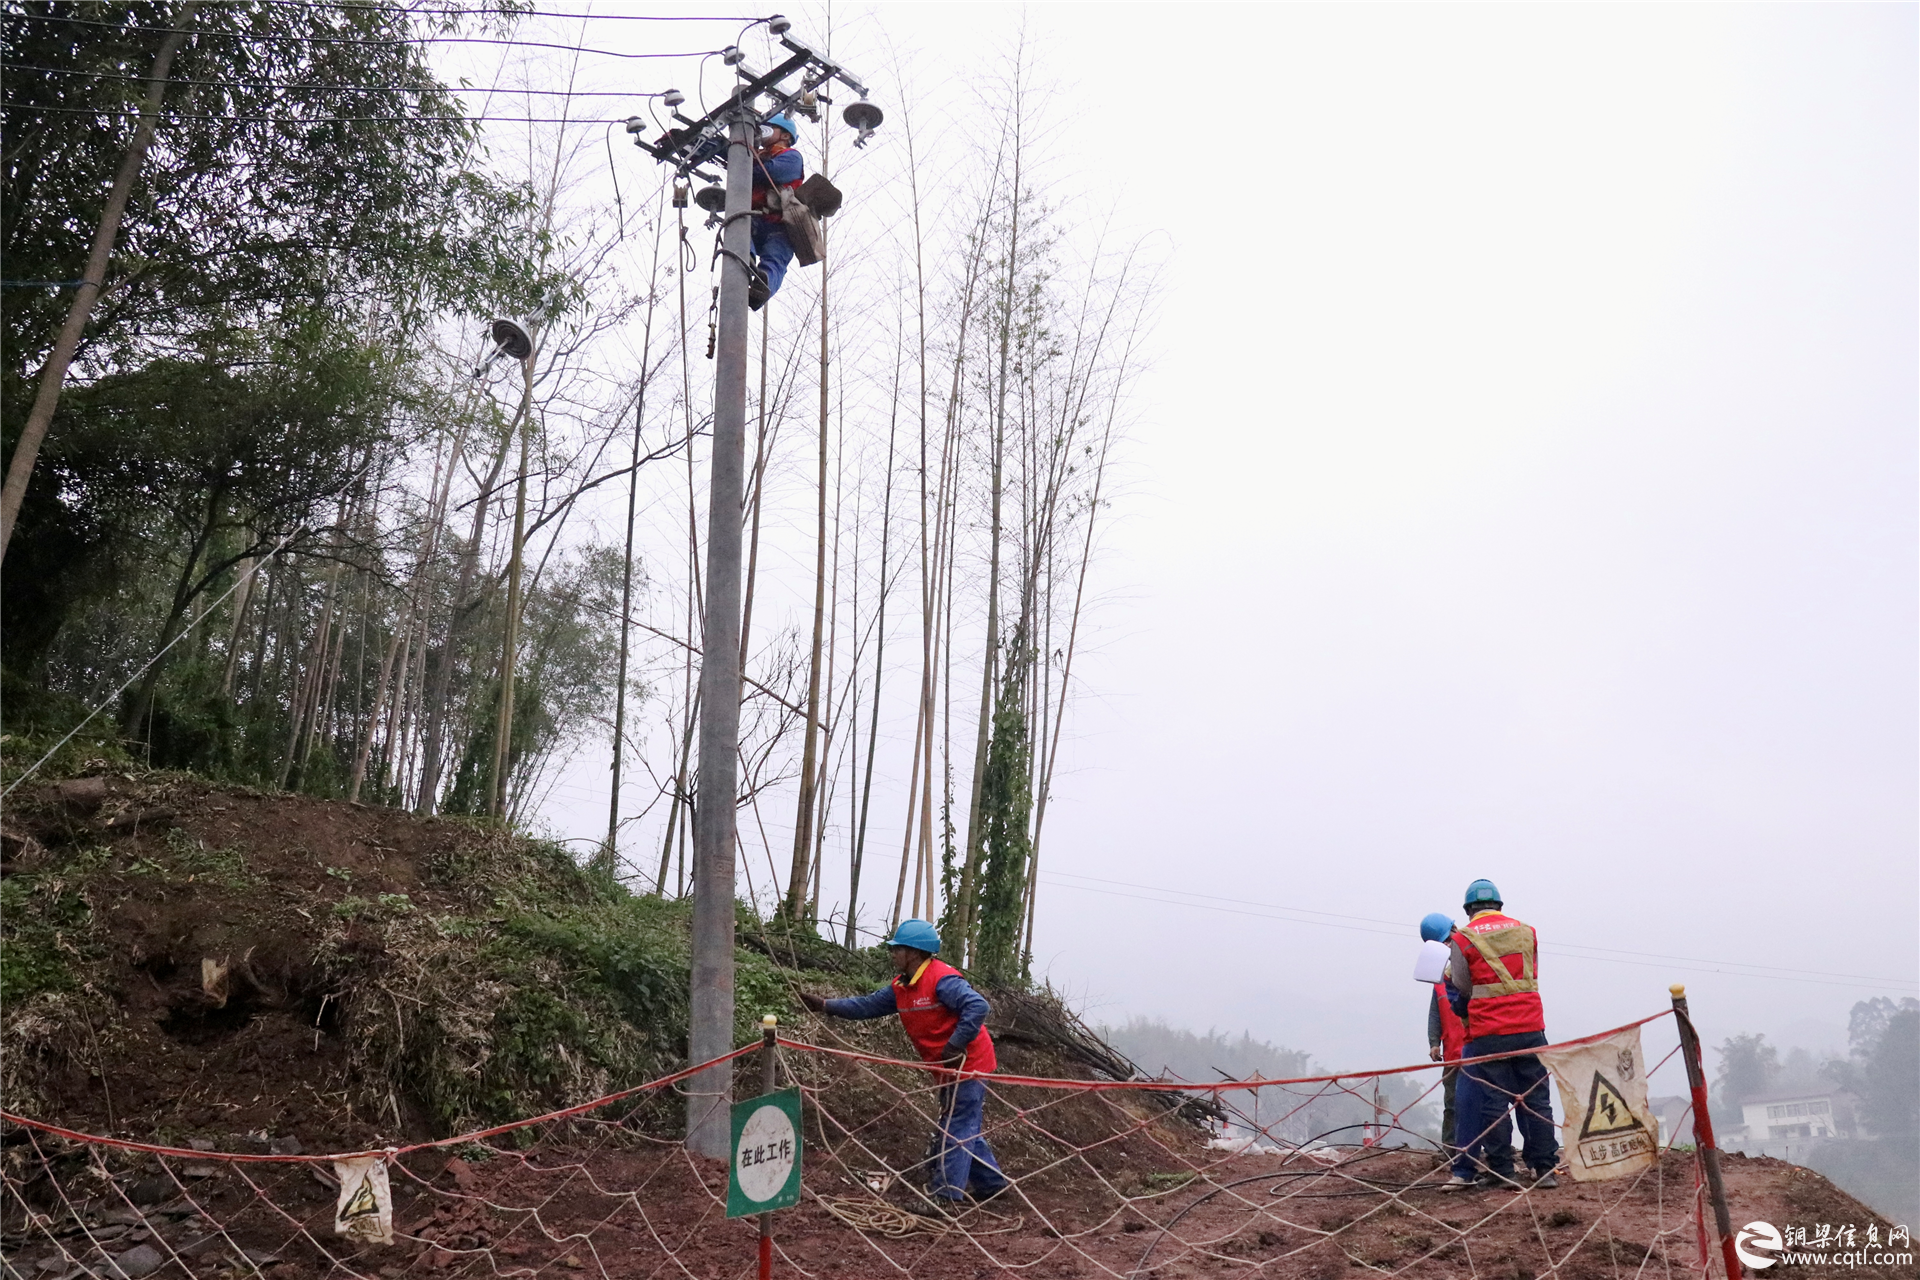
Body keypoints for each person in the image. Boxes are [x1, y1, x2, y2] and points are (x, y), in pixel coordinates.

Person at [799, 919, 1009, 1213]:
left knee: (957, 1124)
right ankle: (992, 1184)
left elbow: (978, 1007)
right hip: (947, 1066)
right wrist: (825, 1005)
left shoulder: (942, 979)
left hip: (969, 1062)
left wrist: (956, 1044)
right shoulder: (902, 986)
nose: (892, 953)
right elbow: (866, 1006)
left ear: (913, 952)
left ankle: (946, 1197)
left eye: (897, 949)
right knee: (960, 1121)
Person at [1437, 879, 1561, 1192]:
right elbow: (1527, 975)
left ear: (1468, 910)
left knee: (1494, 1103)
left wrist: (1465, 1009)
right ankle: (1544, 1169)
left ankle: (1504, 1171)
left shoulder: (1463, 939)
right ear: (1499, 905)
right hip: (1531, 1027)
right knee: (1536, 1100)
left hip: (1489, 1032)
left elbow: (1463, 988)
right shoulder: (1526, 931)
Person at [1420, 912, 1467, 1159]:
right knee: (1452, 1104)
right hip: (1452, 1054)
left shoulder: (1473, 965)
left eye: (1448, 940)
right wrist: (1433, 1043)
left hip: (1477, 1050)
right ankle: (1450, 1149)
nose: (1448, 946)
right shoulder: (1440, 978)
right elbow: (1434, 1013)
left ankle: (1493, 1150)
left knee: (1489, 1101)